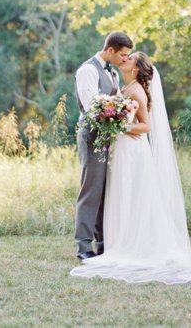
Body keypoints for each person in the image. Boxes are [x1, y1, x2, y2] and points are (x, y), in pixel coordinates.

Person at [70, 52, 191, 284]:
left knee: (134, 195)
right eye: (125, 55)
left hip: (132, 151)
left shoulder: (136, 91)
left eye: (130, 58)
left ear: (136, 69)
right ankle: (116, 241)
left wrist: (120, 126)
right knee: (120, 195)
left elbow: (145, 126)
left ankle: (134, 244)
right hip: (120, 150)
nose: (125, 59)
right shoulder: (122, 87)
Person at [73, 31, 134, 261]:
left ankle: (104, 244)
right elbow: (92, 107)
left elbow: (116, 100)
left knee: (106, 191)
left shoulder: (113, 73)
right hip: (92, 137)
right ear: (110, 50)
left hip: (108, 137)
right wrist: (117, 111)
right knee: (90, 191)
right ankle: (83, 247)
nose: (125, 59)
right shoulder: (88, 71)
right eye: (123, 55)